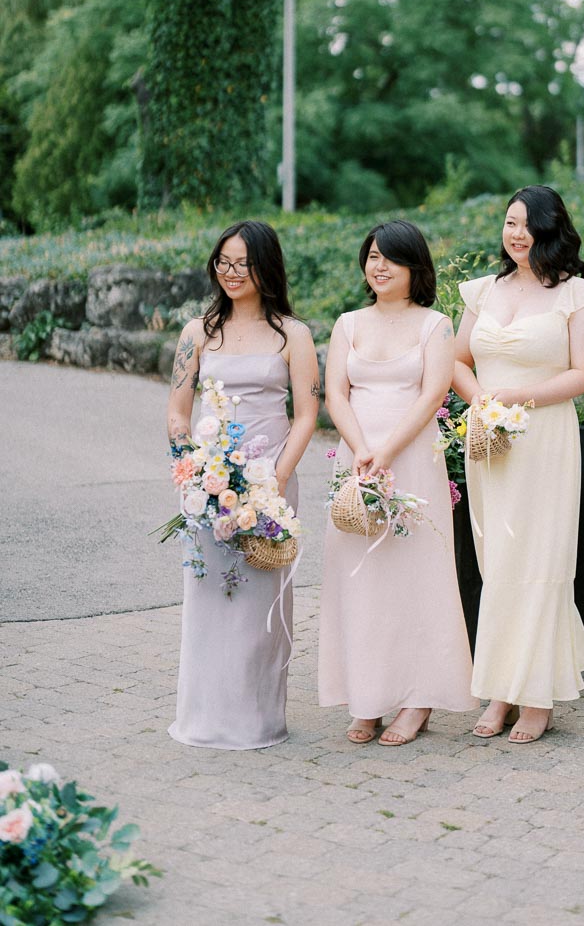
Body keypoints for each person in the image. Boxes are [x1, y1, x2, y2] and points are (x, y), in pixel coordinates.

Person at [453, 186, 584, 744]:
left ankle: (535, 697)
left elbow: (583, 374)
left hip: (544, 439)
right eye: (509, 223)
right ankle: (500, 691)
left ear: (550, 230)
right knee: (498, 560)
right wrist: (482, 403)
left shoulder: (575, 295)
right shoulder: (482, 291)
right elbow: (457, 360)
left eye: (527, 225)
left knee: (540, 558)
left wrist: (516, 398)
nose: (516, 234)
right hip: (489, 440)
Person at [318, 220, 474, 746]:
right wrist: (361, 447)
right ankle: (367, 697)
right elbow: (336, 394)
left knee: (416, 576)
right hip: (357, 458)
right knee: (361, 575)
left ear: (415, 268)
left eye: (391, 258)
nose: (379, 266)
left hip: (410, 460)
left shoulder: (436, 325)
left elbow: (433, 395)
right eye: (373, 256)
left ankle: (417, 698)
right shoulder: (348, 324)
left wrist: (386, 450)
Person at [167, 220, 320, 749]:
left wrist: (274, 482)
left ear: (266, 268)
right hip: (209, 487)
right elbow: (178, 411)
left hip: (270, 485)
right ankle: (203, 719)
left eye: (243, 264)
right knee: (208, 597)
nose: (231, 273)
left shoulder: (292, 334)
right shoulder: (198, 332)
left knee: (260, 603)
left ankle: (256, 720)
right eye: (223, 263)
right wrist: (191, 472)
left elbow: (306, 414)